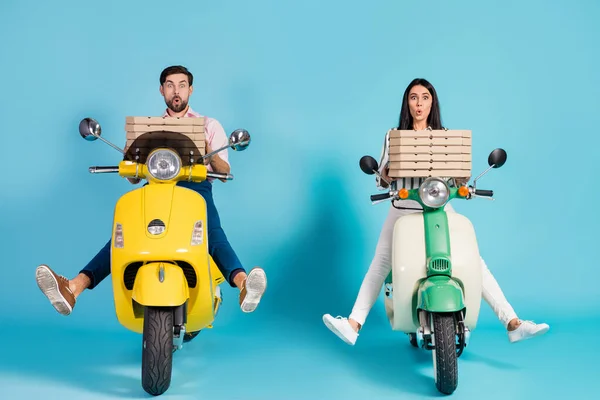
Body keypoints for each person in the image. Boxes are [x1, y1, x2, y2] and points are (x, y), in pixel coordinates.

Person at [35, 65, 267, 330]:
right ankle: (72, 289)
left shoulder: (209, 125)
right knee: (123, 237)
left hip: (195, 189)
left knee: (212, 233)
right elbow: (134, 178)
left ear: (190, 90)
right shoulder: (148, 130)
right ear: (161, 90)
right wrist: (129, 156)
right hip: (155, 189)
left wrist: (209, 149)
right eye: (170, 85)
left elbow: (225, 170)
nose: (176, 91)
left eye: (181, 85)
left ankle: (244, 285)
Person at [322, 78, 549, 345]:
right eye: (414, 97)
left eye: (425, 97)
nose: (419, 104)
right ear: (407, 102)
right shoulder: (393, 135)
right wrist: (388, 170)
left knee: (474, 261)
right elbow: (381, 178)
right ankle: (353, 324)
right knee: (382, 261)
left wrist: (462, 178)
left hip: (438, 208)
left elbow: (455, 180)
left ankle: (513, 323)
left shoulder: (446, 137)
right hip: (402, 208)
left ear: (433, 102)